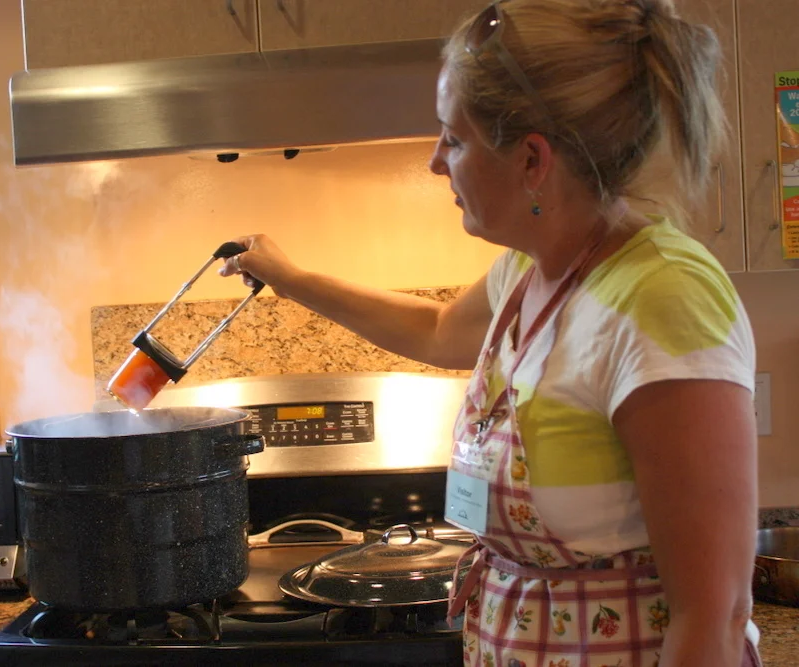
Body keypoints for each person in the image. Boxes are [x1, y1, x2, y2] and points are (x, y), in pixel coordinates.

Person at [220, 0, 760, 665]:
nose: (434, 162)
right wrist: (289, 276)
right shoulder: (535, 271)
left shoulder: (664, 299)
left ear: (533, 160)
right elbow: (439, 327)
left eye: (453, 138)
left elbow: (715, 616)